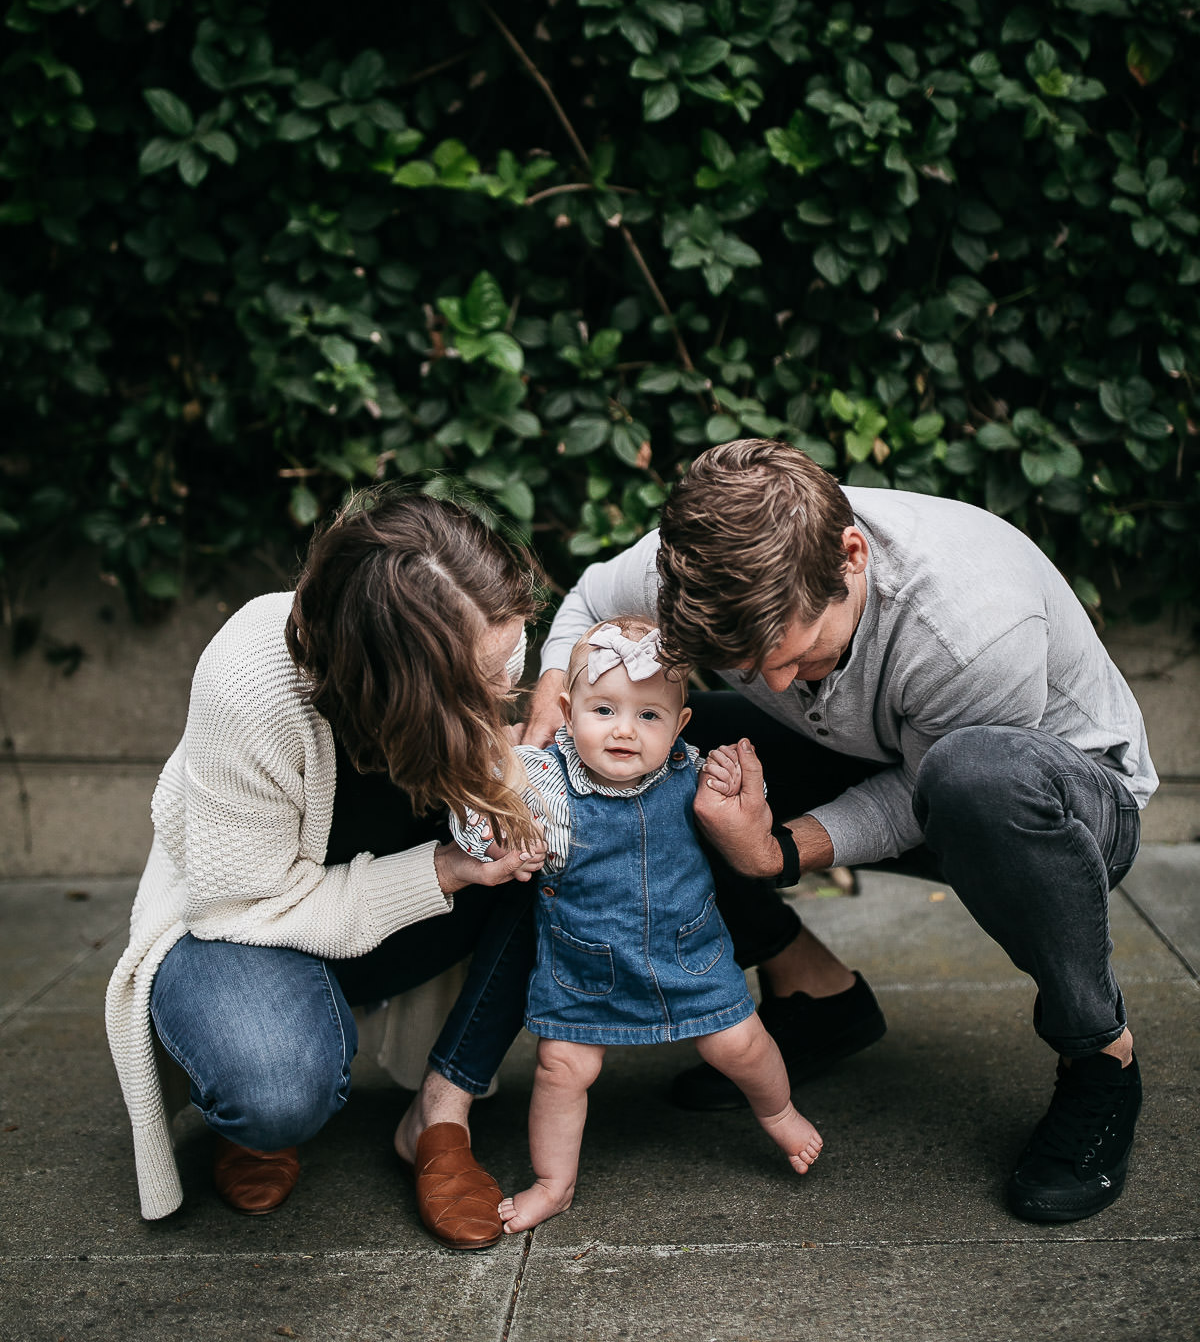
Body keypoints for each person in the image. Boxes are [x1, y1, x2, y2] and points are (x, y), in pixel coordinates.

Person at [521, 440, 1155, 1226]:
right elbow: (586, 600)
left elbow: (921, 797)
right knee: (658, 760)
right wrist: (549, 701)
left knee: (973, 776)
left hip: (1056, 805)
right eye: (747, 664)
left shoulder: (970, 627)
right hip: (889, 755)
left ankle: (1101, 1056)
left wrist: (777, 850)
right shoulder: (704, 561)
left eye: (789, 654)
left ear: (851, 556)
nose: (778, 684)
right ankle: (814, 995)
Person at [105, 485, 548, 1249]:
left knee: (577, 852)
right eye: (487, 677)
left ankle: (439, 1120)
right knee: (275, 1086)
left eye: (512, 654)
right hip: (250, 927)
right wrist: (442, 872)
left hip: (401, 921)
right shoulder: (250, 680)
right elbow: (236, 907)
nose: (508, 688)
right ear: (407, 685)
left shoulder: (479, 650)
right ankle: (256, 1120)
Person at [450, 617, 822, 1234]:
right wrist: (487, 807)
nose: (624, 729)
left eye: (648, 716)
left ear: (678, 726)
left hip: (689, 957)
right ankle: (554, 1182)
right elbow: (483, 826)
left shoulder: (694, 774)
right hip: (585, 968)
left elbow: (739, 826)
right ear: (567, 713)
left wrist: (738, 792)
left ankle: (779, 1113)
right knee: (562, 1069)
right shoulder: (545, 783)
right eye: (603, 709)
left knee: (742, 1045)